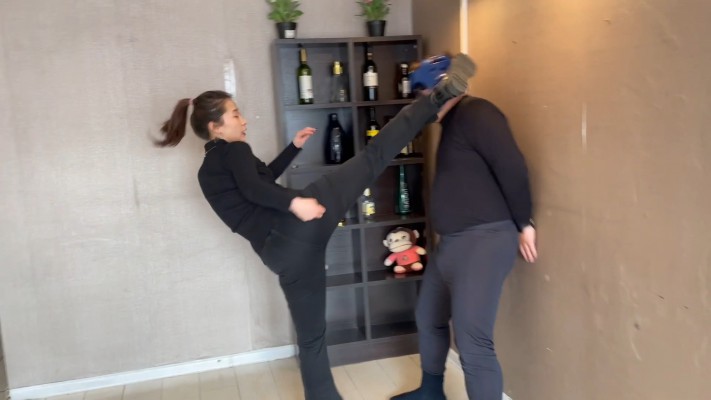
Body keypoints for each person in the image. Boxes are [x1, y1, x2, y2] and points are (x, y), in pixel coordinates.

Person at [156, 53, 477, 400]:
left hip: (280, 255)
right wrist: (295, 203)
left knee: (311, 337)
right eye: (235, 114)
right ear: (215, 126)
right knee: (373, 156)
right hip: (295, 227)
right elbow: (255, 189)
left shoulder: (209, 169)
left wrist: (293, 148)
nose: (243, 120)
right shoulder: (233, 151)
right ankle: (438, 97)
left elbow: (259, 183)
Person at [390, 95, 538, 400]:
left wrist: (525, 223)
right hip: (451, 244)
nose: (422, 99)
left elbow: (511, 165)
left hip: (483, 241)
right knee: (429, 317)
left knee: (472, 342)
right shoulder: (449, 123)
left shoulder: (478, 111)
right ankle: (431, 392)